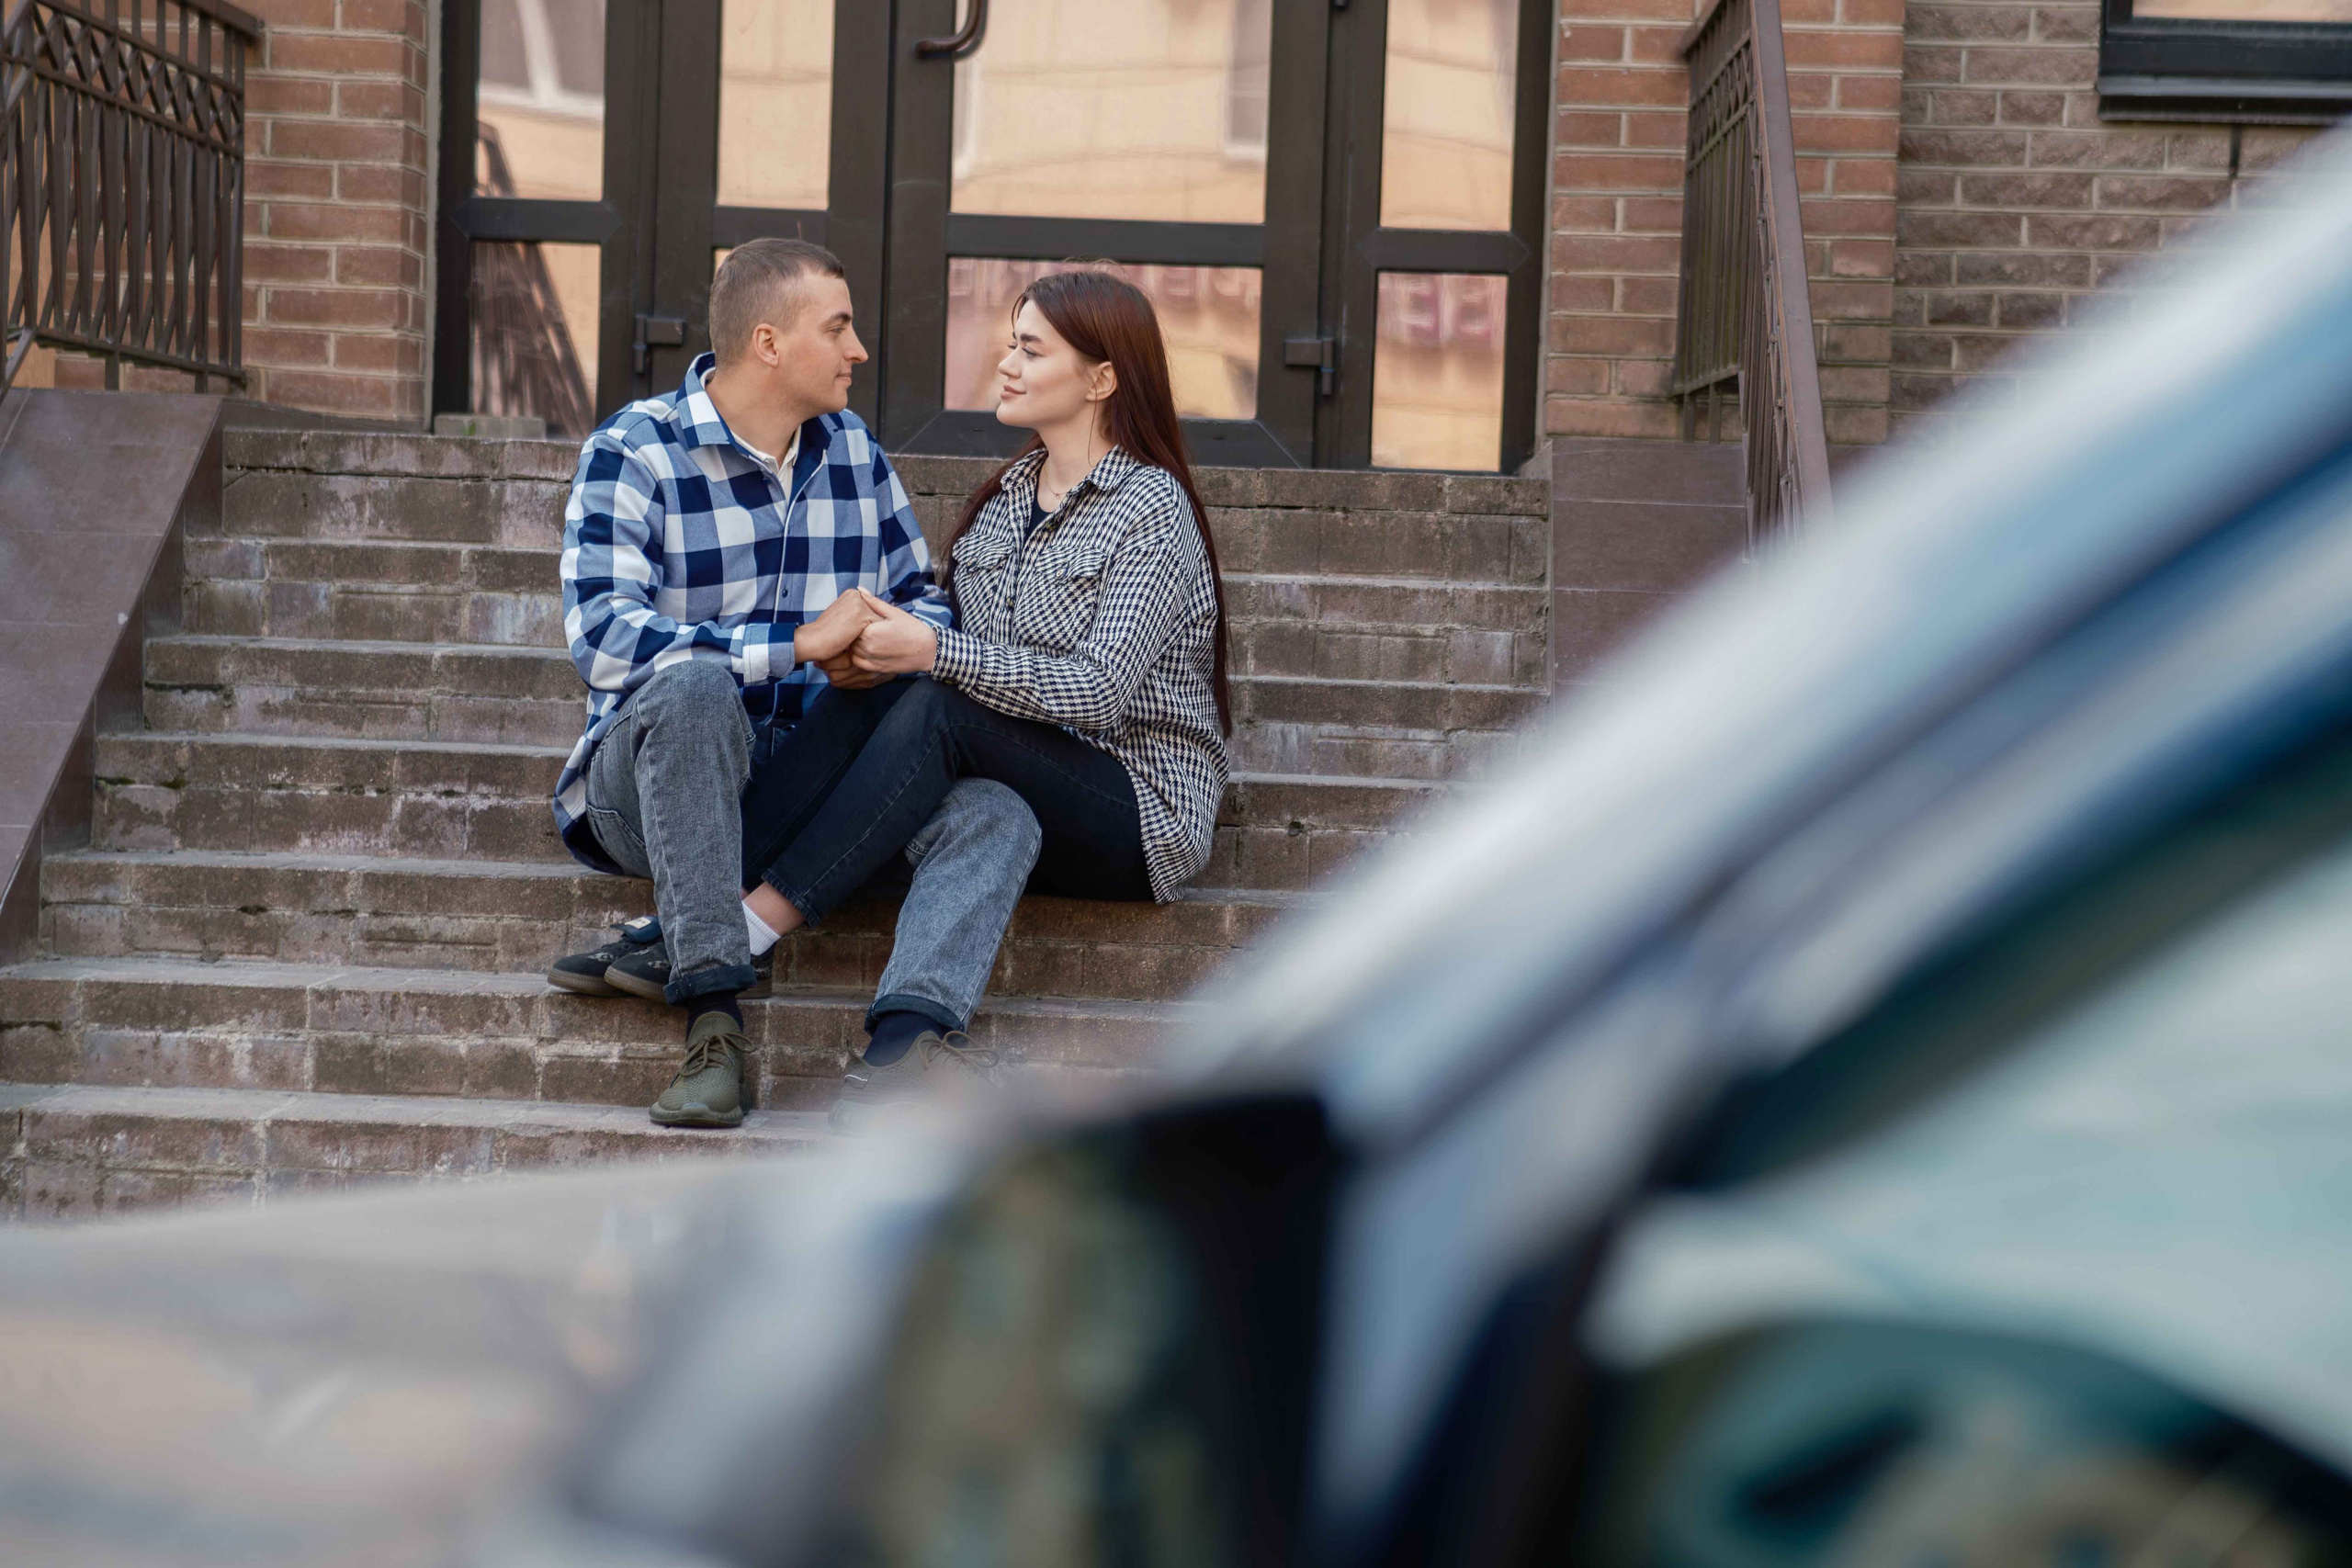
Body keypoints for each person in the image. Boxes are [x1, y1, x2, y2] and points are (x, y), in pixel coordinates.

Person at [548, 236, 1041, 1131]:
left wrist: (880, 645)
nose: (860, 350)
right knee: (695, 689)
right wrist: (799, 646)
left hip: (820, 774)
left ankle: (905, 1043)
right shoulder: (636, 450)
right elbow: (606, 642)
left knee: (997, 812)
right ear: (768, 343)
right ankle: (712, 1024)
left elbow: (924, 599)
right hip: (656, 782)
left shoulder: (852, 451)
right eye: (839, 327)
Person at [725, 267, 1234, 1128]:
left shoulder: (1152, 508)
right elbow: (962, 660)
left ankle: (744, 923)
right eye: (1010, 344)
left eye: (1031, 350)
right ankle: (900, 1045)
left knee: (935, 694)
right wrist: (880, 642)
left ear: (1102, 379)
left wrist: (933, 651)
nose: (1006, 364)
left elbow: (1100, 691)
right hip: (1021, 782)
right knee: (973, 788)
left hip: (1136, 806)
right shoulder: (1002, 503)